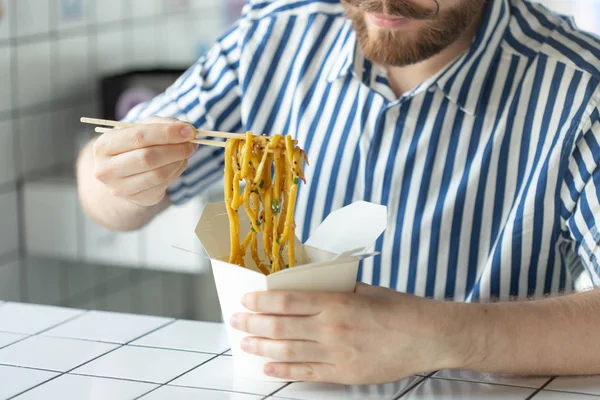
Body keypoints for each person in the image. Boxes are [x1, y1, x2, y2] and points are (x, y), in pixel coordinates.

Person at [77, 0, 600, 384]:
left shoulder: (579, 87)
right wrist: (119, 177)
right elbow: (107, 201)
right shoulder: (272, 37)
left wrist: (445, 334)